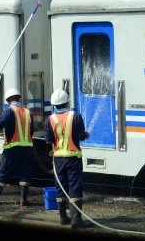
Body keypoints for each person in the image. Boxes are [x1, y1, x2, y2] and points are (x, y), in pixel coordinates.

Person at [44, 88, 92, 229]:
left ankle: (63, 217)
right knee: (75, 186)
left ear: (54, 104)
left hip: (58, 158)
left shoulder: (50, 119)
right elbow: (81, 135)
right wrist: (86, 135)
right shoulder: (75, 116)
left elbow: (48, 140)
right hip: (73, 158)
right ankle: (76, 219)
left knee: (60, 186)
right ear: (67, 101)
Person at [0, 88, 34, 207]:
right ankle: (23, 200)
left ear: (8, 100)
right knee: (25, 172)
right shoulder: (27, 112)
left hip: (12, 147)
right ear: (19, 98)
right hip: (28, 148)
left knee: (4, 170)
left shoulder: (9, 111)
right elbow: (31, 131)